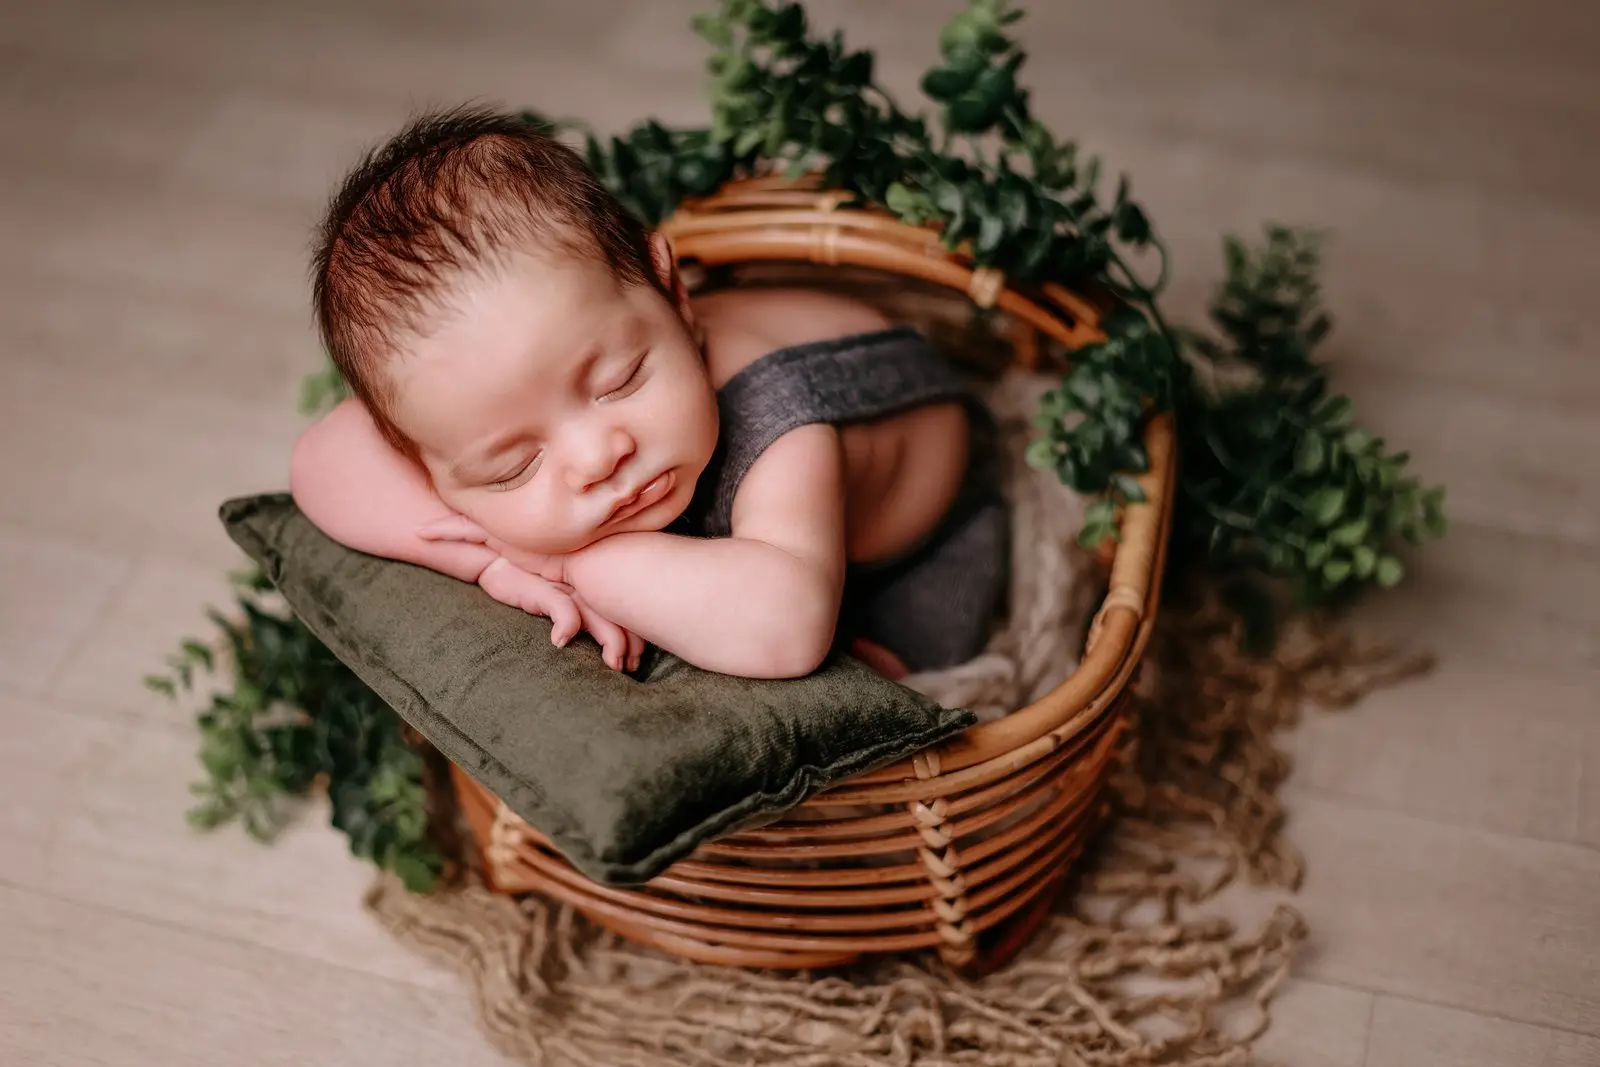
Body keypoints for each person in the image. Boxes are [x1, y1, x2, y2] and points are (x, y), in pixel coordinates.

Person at [289, 106, 1008, 681]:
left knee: (867, 671)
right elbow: (323, 459)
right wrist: (489, 561)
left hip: (919, 540)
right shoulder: (482, 405)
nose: (598, 457)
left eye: (619, 381)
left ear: (672, 292)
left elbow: (786, 629)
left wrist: (570, 563)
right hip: (760, 520)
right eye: (512, 466)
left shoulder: (786, 426)